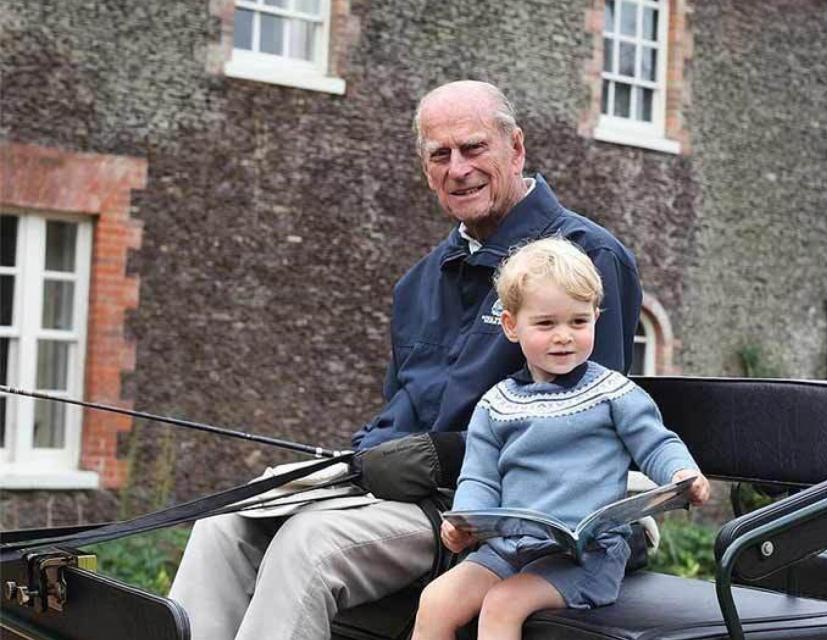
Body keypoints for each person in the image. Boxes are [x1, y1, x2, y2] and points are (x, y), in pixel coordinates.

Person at [168, 80, 643, 640]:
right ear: (426, 170)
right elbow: (401, 410)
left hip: (492, 514)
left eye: (473, 148)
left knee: (308, 545)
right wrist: (370, 452)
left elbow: (586, 426)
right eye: (440, 155)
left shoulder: (584, 257)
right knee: (228, 520)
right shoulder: (418, 283)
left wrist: (439, 457)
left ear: (515, 148)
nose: (457, 168)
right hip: (395, 493)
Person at [412, 238, 710, 640]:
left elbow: (656, 444)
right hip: (510, 550)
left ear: (595, 318)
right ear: (511, 326)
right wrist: (465, 521)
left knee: (503, 603)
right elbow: (479, 479)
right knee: (437, 599)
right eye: (546, 323)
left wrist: (683, 473)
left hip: (586, 557)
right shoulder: (496, 404)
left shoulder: (612, 392)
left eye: (578, 322)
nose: (564, 336)